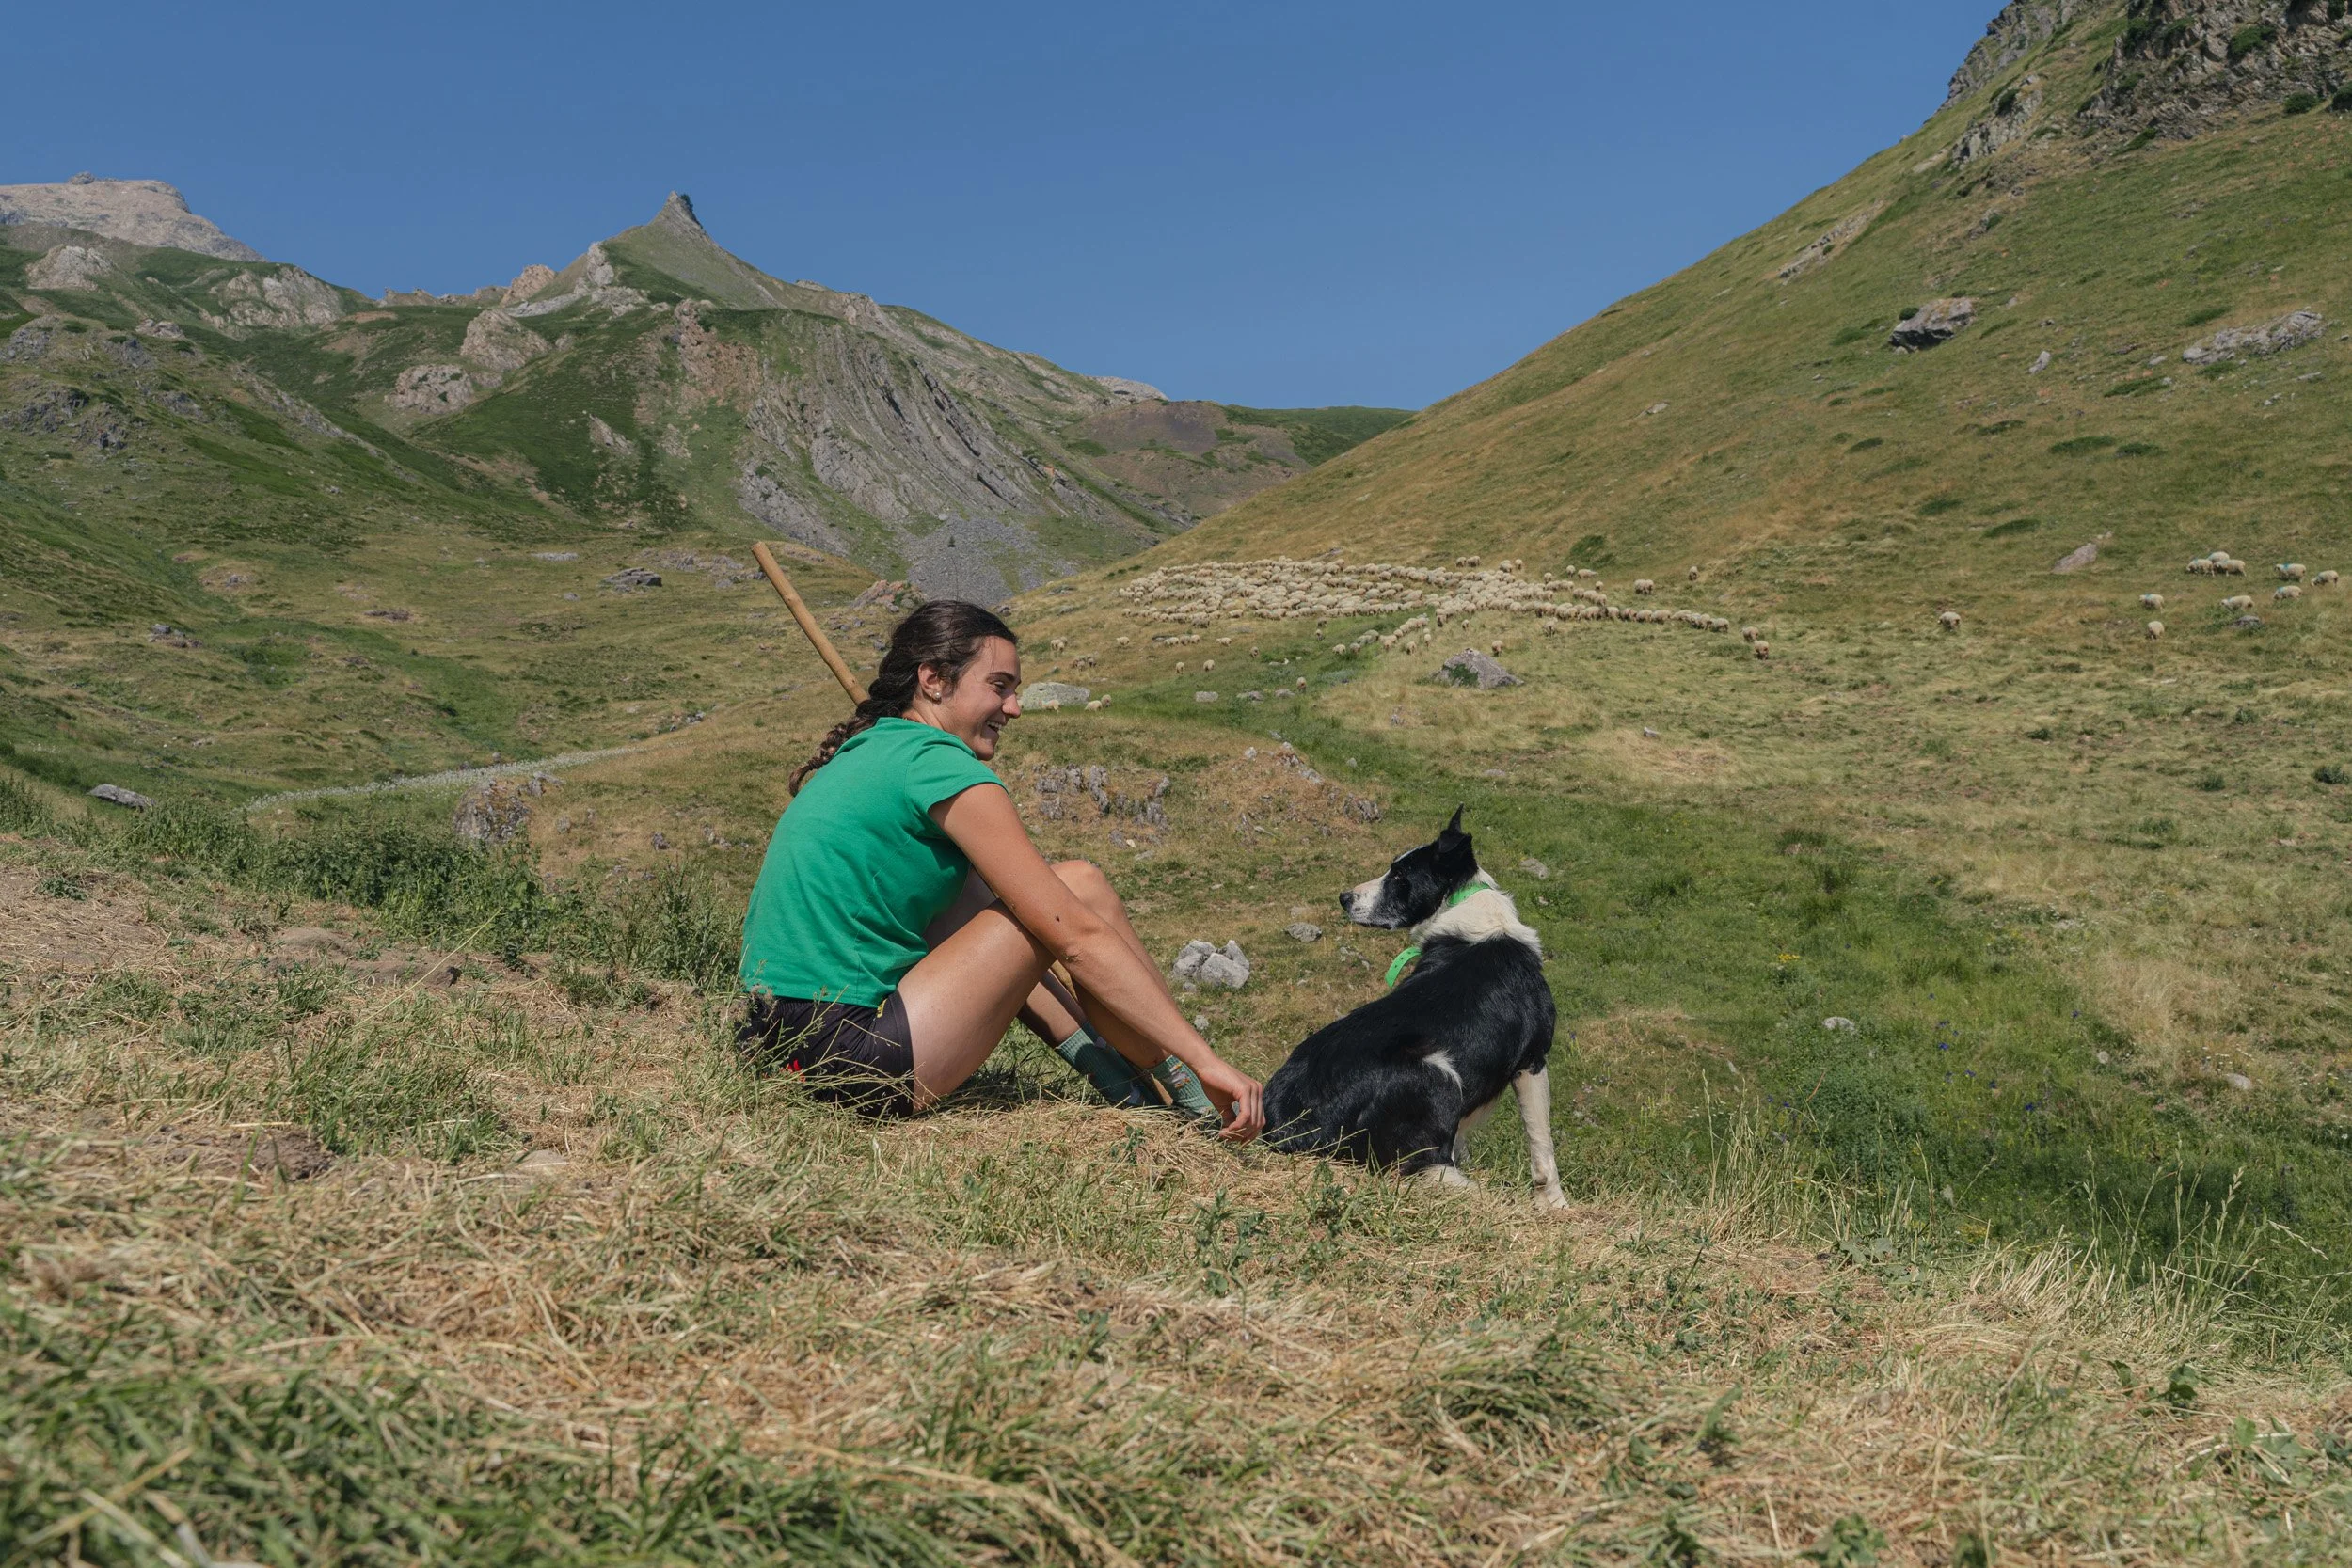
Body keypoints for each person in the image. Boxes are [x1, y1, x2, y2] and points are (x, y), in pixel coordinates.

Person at [736, 599, 1265, 1139]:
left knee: (990, 906)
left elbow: (1012, 958)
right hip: (849, 1060)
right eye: (999, 686)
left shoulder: (864, 754)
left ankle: (1132, 1094)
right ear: (934, 680)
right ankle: (1198, 1099)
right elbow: (1076, 938)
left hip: (773, 1044)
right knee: (1078, 887)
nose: (1014, 708)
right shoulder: (936, 764)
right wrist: (1203, 1056)